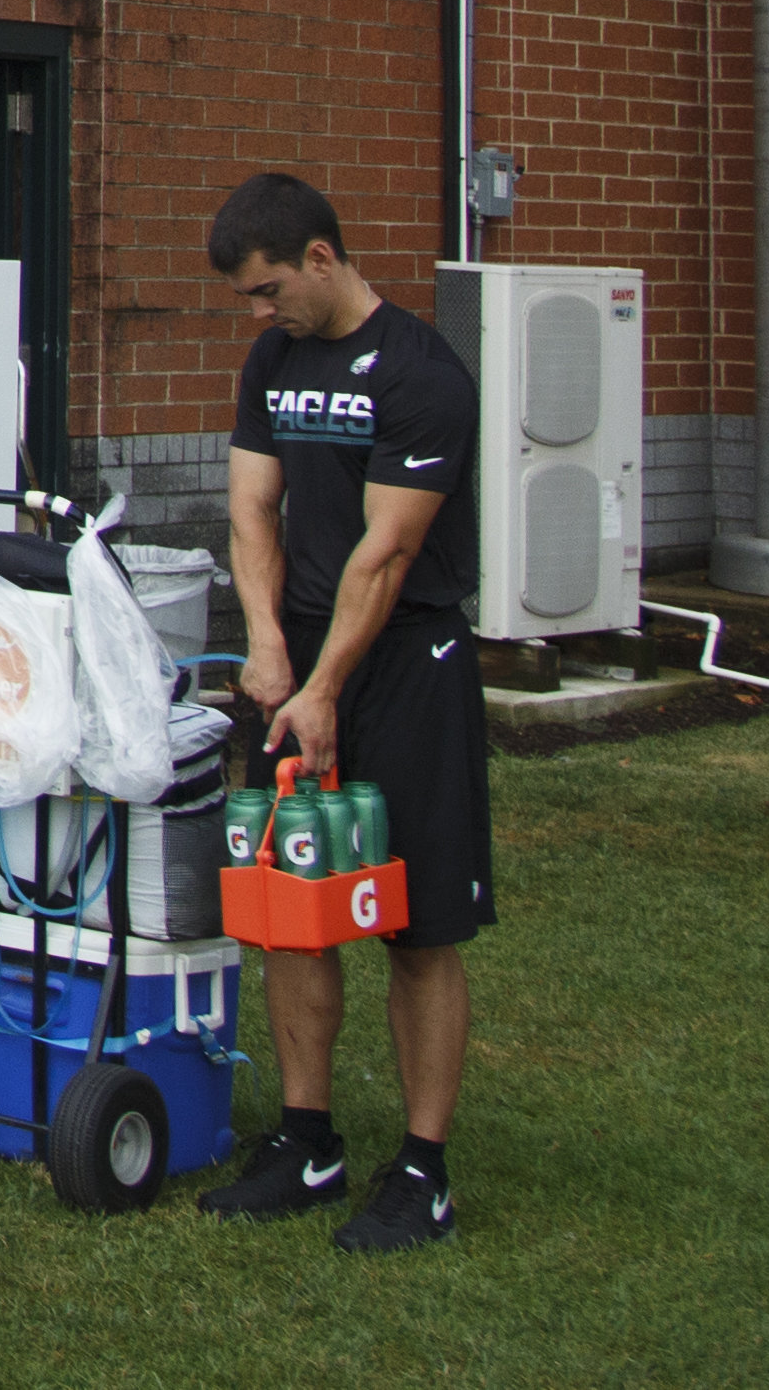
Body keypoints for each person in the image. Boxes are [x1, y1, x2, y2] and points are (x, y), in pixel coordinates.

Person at [200, 170, 491, 1255]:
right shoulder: (274, 361)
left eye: (270, 288)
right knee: (290, 904)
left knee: (415, 925)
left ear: (322, 257)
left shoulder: (422, 373)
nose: (260, 311)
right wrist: (271, 650)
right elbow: (251, 505)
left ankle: (423, 1170)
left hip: (405, 663)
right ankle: (307, 1139)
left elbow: (388, 552)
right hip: (298, 661)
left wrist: (325, 686)